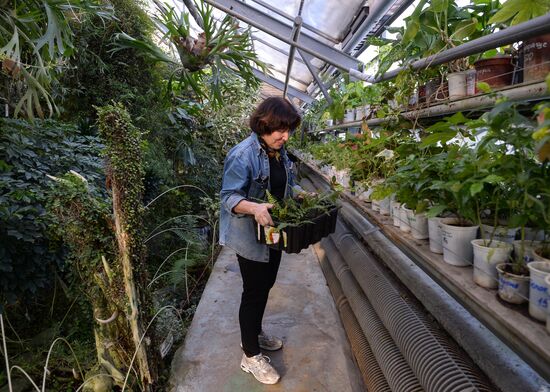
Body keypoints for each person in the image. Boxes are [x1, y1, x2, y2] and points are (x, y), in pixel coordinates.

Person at [219, 96, 304, 385]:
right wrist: (254, 207)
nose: (285, 135)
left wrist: (300, 193)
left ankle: (255, 333)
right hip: (249, 236)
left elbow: (284, 184)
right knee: (253, 291)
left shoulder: (278, 151)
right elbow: (228, 197)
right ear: (264, 124)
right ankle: (250, 355)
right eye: (280, 129)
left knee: (266, 285)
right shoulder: (243, 155)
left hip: (273, 232)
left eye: (289, 129)